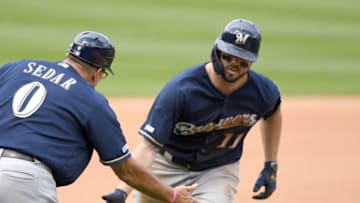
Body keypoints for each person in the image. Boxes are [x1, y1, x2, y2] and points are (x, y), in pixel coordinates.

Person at [0, 31, 200, 203]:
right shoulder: (90, 99)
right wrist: (172, 195)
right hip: (23, 181)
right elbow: (126, 170)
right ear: (98, 72)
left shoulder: (15, 68)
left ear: (68, 55)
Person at [103, 18, 282, 203]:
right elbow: (148, 147)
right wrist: (121, 191)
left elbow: (273, 112)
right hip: (165, 167)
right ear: (217, 52)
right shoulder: (181, 90)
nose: (234, 64)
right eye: (228, 56)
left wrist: (271, 164)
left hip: (217, 171)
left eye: (243, 61)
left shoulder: (263, 91)